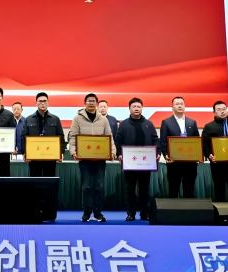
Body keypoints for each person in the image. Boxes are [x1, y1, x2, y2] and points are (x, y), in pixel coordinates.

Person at [69, 93, 116, 223]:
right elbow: (73, 137)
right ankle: (86, 213)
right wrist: (73, 152)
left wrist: (112, 152)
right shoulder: (77, 119)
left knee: (99, 186)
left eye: (93, 101)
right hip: (84, 159)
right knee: (86, 187)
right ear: (85, 103)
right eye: (89, 101)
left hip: (100, 159)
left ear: (97, 103)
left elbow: (109, 137)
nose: (91, 103)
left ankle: (97, 213)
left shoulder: (103, 119)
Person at [116, 97, 158, 221]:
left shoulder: (148, 124)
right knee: (130, 189)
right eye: (134, 106)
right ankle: (131, 213)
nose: (136, 108)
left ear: (142, 108)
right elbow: (118, 141)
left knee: (144, 189)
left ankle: (144, 213)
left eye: (138, 106)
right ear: (129, 109)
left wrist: (157, 152)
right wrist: (119, 153)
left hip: (145, 163)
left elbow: (155, 140)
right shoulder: (123, 124)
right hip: (129, 162)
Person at [158, 96, 201, 198]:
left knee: (189, 190)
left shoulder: (192, 122)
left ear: (185, 106)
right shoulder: (166, 122)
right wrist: (166, 154)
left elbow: (197, 141)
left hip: (190, 163)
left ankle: (189, 208)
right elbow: (163, 141)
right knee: (173, 190)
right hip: (174, 163)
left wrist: (199, 155)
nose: (180, 106)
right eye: (177, 104)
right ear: (172, 107)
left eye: (181, 104)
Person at [202, 100, 228, 202]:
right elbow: (204, 144)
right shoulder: (209, 126)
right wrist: (209, 155)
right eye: (219, 109)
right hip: (218, 165)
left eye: (224, 109)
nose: (222, 111)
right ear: (214, 112)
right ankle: (219, 212)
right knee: (219, 191)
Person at [21, 92, 65, 177]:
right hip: (34, 155)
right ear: (36, 103)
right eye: (40, 101)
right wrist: (24, 152)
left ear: (48, 103)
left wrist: (61, 152)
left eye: (44, 101)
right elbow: (24, 137)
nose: (42, 103)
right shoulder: (29, 119)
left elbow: (61, 136)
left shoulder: (55, 119)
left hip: (50, 155)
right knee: (35, 180)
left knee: (49, 179)